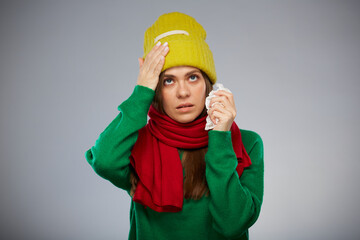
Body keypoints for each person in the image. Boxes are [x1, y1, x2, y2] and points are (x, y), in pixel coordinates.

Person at [85, 12, 264, 240]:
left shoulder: (247, 143)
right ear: (156, 89)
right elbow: (104, 160)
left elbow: (232, 224)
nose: (183, 92)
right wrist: (141, 93)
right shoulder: (137, 143)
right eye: (168, 80)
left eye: (193, 77)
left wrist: (220, 138)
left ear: (208, 84)